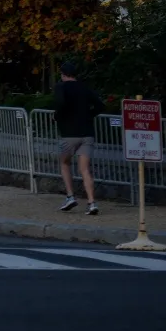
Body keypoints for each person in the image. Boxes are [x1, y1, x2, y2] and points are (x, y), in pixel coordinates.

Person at [53, 61, 103, 216]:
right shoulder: (84, 88)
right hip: (87, 132)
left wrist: (57, 117)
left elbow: (60, 103)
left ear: (62, 74)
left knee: (64, 162)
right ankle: (92, 202)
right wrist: (88, 115)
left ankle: (70, 196)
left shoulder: (61, 87)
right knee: (84, 169)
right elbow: (100, 106)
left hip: (69, 133)